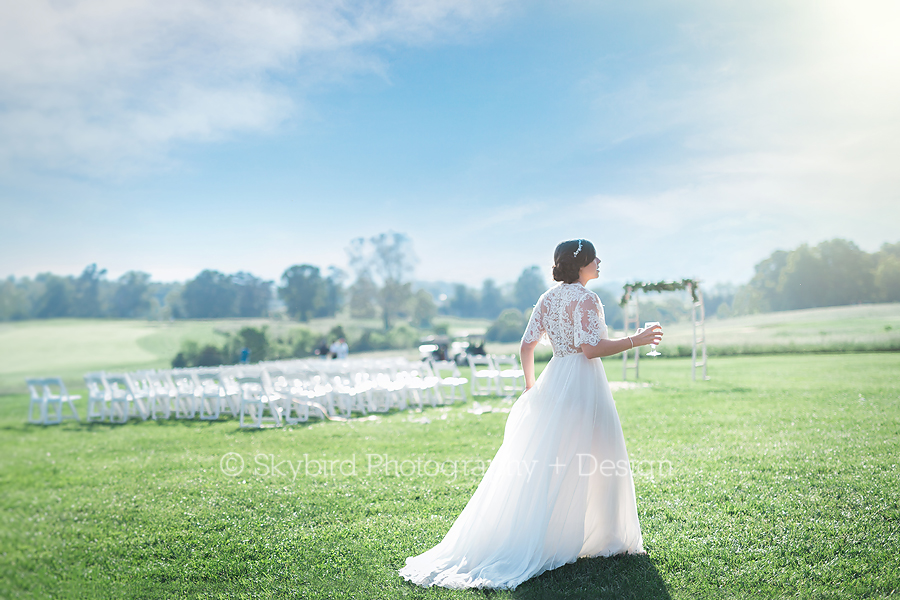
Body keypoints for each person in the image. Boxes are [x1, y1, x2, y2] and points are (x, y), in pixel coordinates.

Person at [399, 239, 663, 590]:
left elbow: (527, 345)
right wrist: (638, 339)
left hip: (554, 380)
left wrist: (530, 386)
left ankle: (568, 533)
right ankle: (606, 537)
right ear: (580, 263)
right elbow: (590, 350)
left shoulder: (547, 298)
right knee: (601, 454)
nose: (599, 262)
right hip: (583, 383)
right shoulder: (586, 298)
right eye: (593, 257)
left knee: (555, 460)